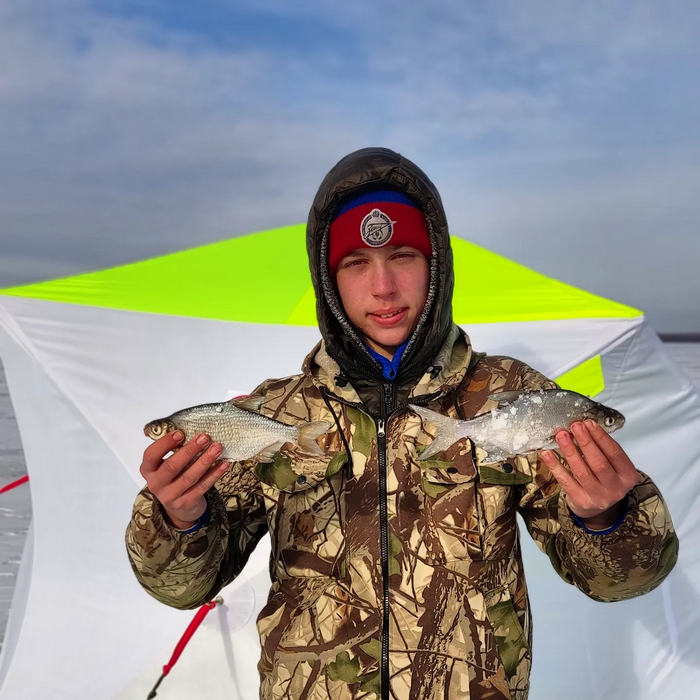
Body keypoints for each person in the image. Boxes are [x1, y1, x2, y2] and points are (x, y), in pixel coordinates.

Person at [126, 147, 678, 700]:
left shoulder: (516, 396)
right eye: (356, 263)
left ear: (436, 264)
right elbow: (183, 588)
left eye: (403, 255)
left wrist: (606, 516)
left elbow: (623, 580)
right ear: (328, 279)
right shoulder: (272, 412)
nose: (384, 287)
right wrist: (178, 519)